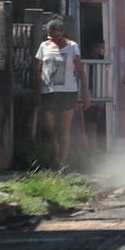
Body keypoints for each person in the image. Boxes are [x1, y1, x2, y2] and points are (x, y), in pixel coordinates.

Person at [35, 15, 90, 169]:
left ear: (63, 33)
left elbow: (80, 71)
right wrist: (36, 93)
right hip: (48, 92)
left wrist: (85, 95)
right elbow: (39, 71)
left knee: (64, 128)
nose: (54, 39)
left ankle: (61, 162)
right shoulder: (43, 46)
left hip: (68, 93)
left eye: (57, 36)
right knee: (49, 127)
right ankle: (55, 150)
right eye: (51, 36)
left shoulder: (72, 47)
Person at [83, 40, 106, 152]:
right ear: (95, 48)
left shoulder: (98, 59)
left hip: (94, 92)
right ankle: (92, 147)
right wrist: (100, 95)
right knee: (93, 121)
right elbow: (93, 79)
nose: (104, 49)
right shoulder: (91, 61)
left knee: (94, 121)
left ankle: (93, 146)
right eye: (102, 47)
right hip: (93, 92)